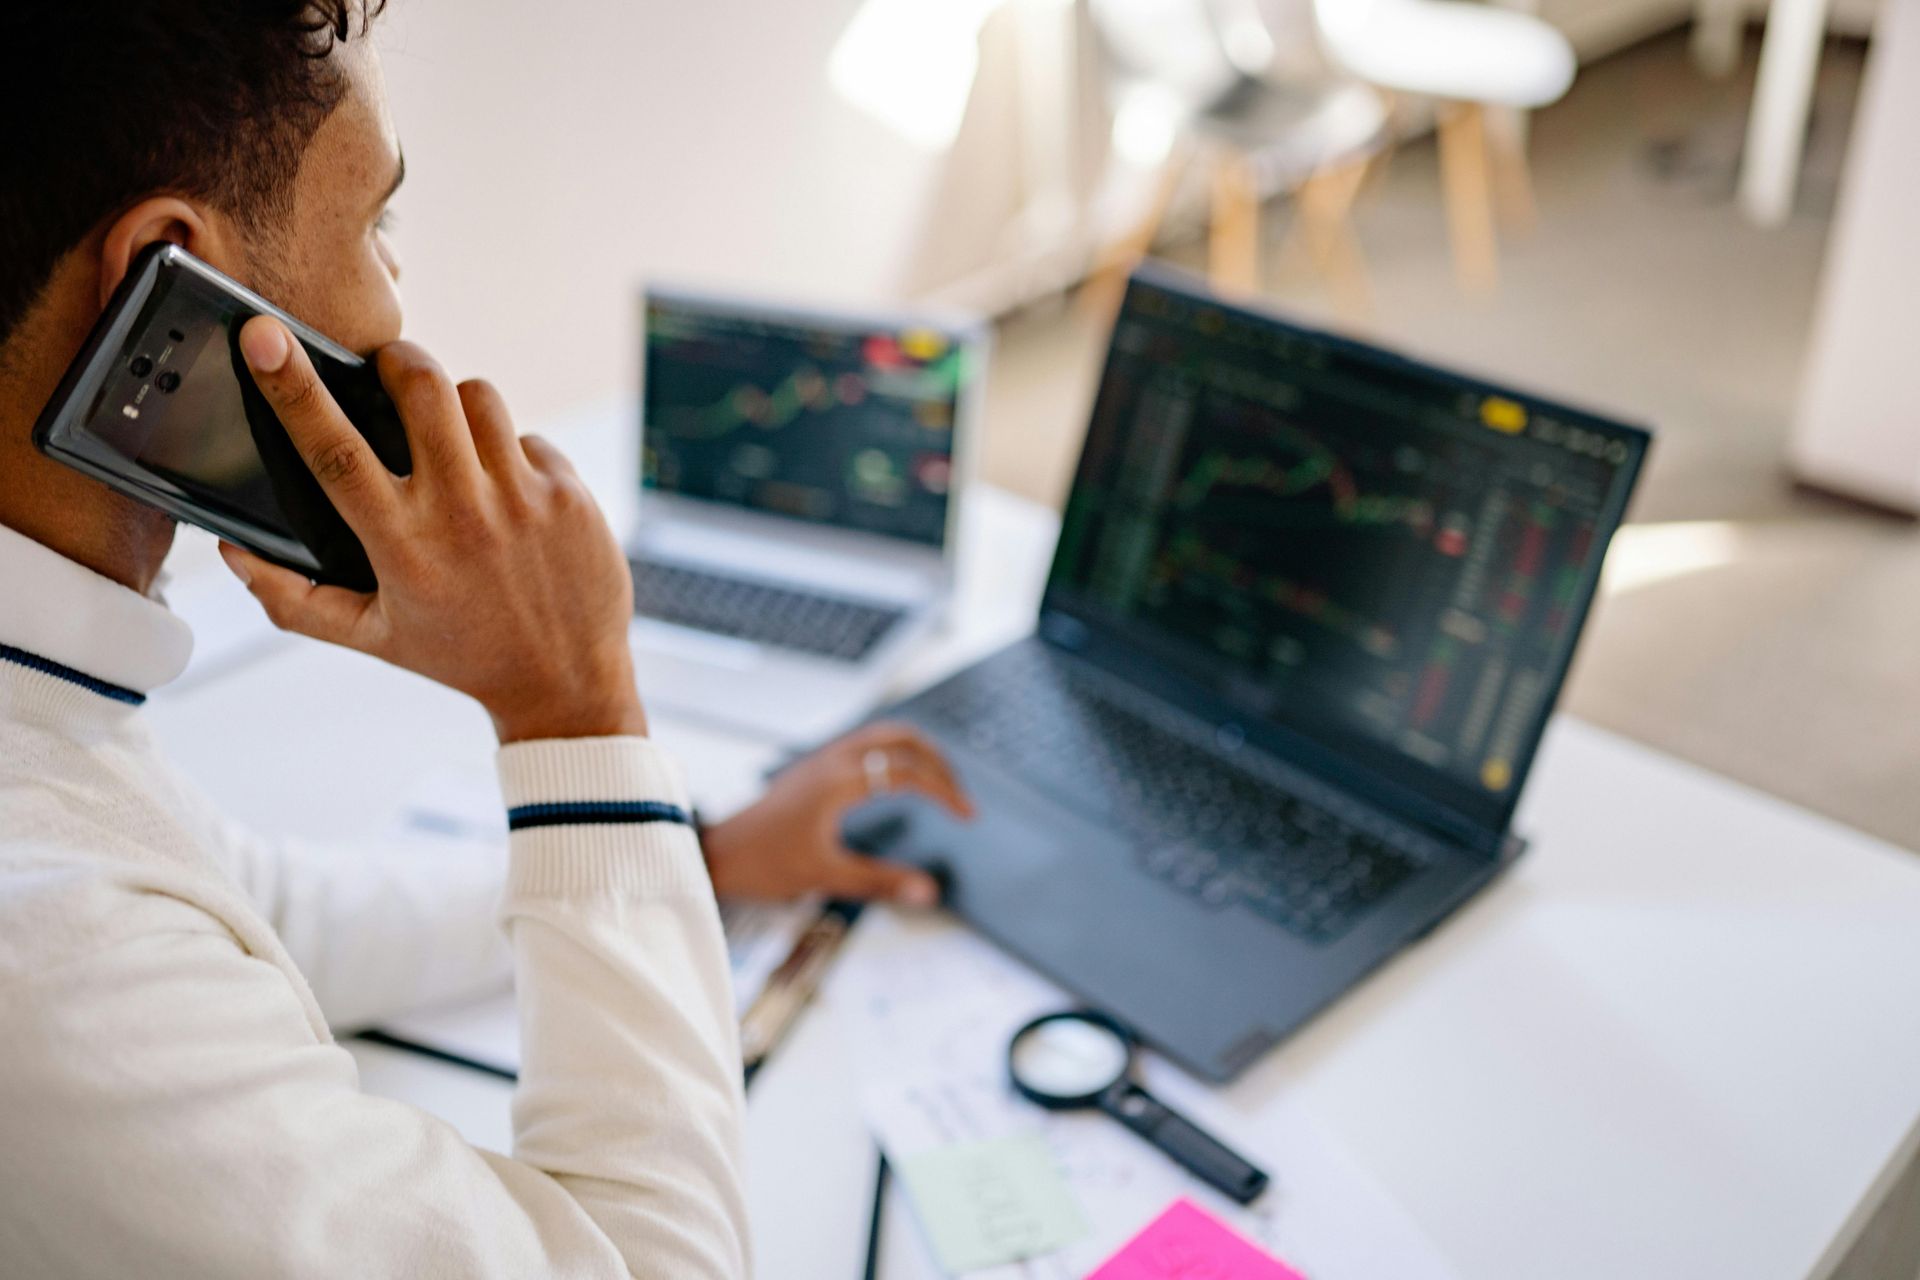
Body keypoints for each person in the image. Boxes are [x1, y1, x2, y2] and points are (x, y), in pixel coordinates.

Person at [0, 3, 971, 1275]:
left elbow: (264, 910)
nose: (396, 303)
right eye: (374, 225)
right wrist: (577, 710)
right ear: (165, 283)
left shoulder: (56, 738)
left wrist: (712, 854)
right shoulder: (55, 953)